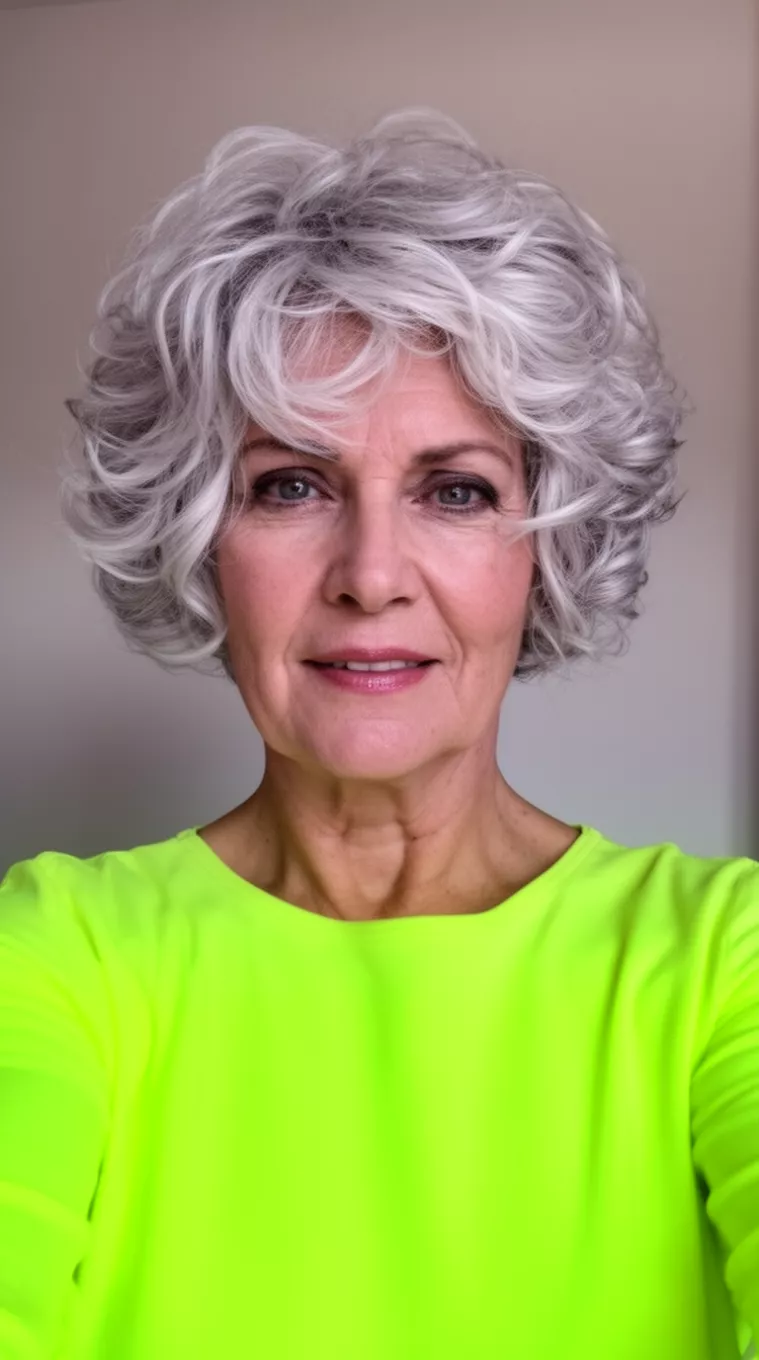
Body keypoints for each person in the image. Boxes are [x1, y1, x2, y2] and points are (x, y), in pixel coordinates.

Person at [0, 106, 757, 1360]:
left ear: (547, 550)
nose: (371, 573)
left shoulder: (717, 959)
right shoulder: (59, 958)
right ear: (198, 537)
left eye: (456, 491)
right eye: (291, 484)